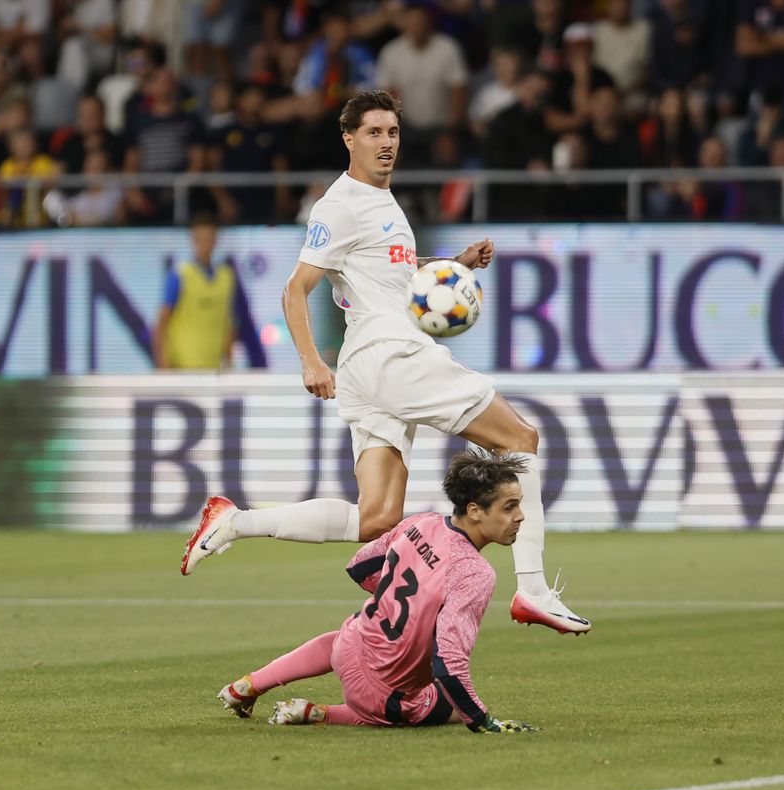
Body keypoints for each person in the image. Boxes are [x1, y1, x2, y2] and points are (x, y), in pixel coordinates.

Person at [182, 90, 591, 636]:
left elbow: (392, 271)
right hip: (392, 355)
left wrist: (454, 263)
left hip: (370, 369)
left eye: (392, 133)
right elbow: (294, 289)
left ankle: (233, 522)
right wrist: (310, 360)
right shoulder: (340, 205)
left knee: (376, 516)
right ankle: (534, 591)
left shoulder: (384, 204)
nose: (385, 143)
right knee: (520, 440)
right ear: (348, 138)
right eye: (373, 133)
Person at [217, 451, 540, 732]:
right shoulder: (475, 572)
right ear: (474, 510)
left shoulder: (422, 522)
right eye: (509, 507)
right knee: (445, 707)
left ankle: (248, 685)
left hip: (349, 644)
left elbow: (360, 566)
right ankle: (316, 713)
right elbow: (448, 663)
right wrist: (483, 722)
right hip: (381, 692)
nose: (520, 516)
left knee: (342, 636)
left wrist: (397, 602)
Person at [152, 214, 238, 370]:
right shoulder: (179, 274)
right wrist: (163, 367)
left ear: (216, 240)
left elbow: (228, 322)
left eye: (209, 238)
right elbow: (161, 323)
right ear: (193, 240)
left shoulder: (226, 276)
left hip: (214, 368)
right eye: (200, 238)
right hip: (183, 367)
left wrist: (229, 361)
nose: (205, 243)